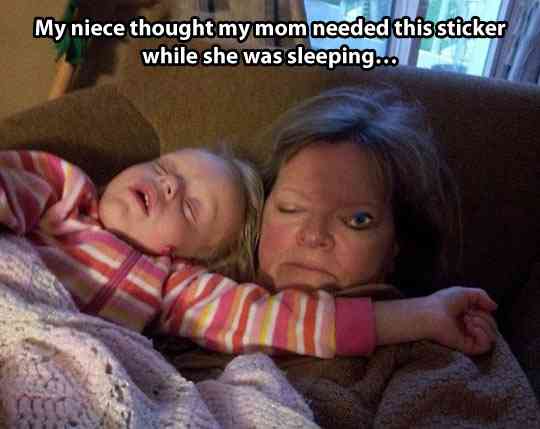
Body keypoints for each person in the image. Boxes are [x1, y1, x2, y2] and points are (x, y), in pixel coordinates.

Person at [0, 135, 494, 359]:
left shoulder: (174, 288)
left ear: (189, 259)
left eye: (190, 208)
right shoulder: (63, 189)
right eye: (166, 167)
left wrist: (422, 315)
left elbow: (281, 322)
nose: (169, 184)